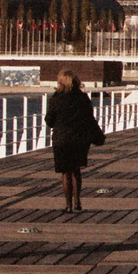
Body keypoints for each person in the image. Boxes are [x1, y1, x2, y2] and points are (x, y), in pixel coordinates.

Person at [45, 69, 103, 212]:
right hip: (79, 139)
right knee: (76, 171)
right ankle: (78, 203)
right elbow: (89, 118)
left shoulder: (56, 98)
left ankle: (68, 205)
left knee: (65, 172)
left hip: (62, 139)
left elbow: (49, 120)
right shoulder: (82, 98)